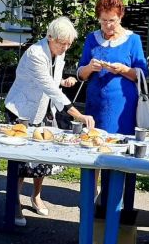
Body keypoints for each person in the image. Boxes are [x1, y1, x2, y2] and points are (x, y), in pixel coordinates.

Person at [5, 17, 95, 226]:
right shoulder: (35, 53)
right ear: (49, 37)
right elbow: (48, 86)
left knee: (43, 159)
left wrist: (63, 81)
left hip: (45, 110)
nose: (65, 48)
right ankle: (14, 201)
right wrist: (78, 115)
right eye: (61, 43)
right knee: (21, 162)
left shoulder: (59, 52)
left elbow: (53, 81)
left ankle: (36, 196)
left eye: (68, 44)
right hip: (22, 110)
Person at [77, 0, 148, 134]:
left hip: (122, 105)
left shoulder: (133, 40)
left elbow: (142, 74)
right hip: (94, 102)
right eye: (104, 21)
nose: (108, 25)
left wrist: (123, 69)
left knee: (118, 144)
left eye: (112, 20)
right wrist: (90, 68)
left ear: (121, 17)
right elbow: (80, 74)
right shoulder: (92, 39)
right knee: (92, 140)